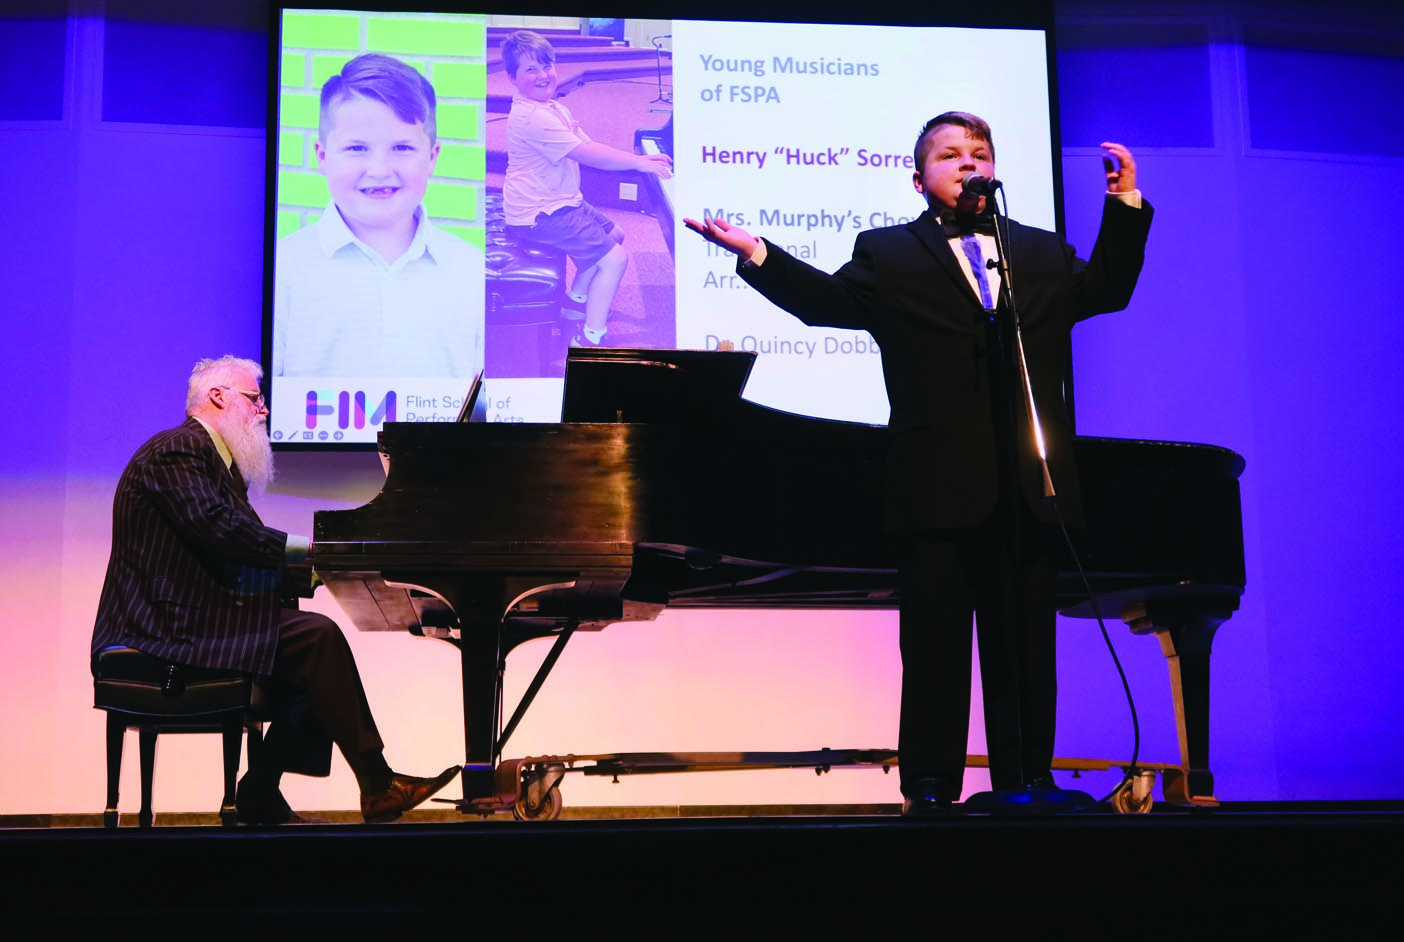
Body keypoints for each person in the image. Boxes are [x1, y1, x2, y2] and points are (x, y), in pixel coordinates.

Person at [685, 112, 1152, 814]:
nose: (968, 164)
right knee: (935, 647)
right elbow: (824, 304)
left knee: (1026, 645)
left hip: (1030, 484)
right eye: (950, 155)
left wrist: (1123, 204)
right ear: (919, 179)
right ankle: (930, 786)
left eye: (980, 154)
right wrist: (758, 254)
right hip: (935, 481)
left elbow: (1108, 290)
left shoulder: (1040, 251)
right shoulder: (890, 253)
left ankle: (1027, 780)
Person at [91, 355, 458, 824]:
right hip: (160, 628)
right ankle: (374, 783)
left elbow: (237, 552)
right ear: (217, 397)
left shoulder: (217, 466)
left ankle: (266, 790)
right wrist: (313, 549)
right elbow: (219, 530)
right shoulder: (177, 450)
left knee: (316, 666)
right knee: (317, 641)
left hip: (193, 619)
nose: (263, 409)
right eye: (255, 398)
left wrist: (324, 572)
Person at [274, 53, 485, 379]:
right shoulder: (282, 269)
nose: (379, 170)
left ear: (432, 157)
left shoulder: (472, 272)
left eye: (401, 148)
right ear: (322, 155)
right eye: (357, 148)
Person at [500, 29, 672, 347]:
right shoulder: (532, 117)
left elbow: (586, 143)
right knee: (615, 259)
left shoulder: (553, 108)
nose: (543, 75)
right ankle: (590, 338)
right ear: (512, 77)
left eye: (546, 66)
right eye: (531, 69)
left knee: (615, 235)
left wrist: (635, 159)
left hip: (560, 201)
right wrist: (638, 163)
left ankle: (575, 301)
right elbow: (586, 153)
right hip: (538, 213)